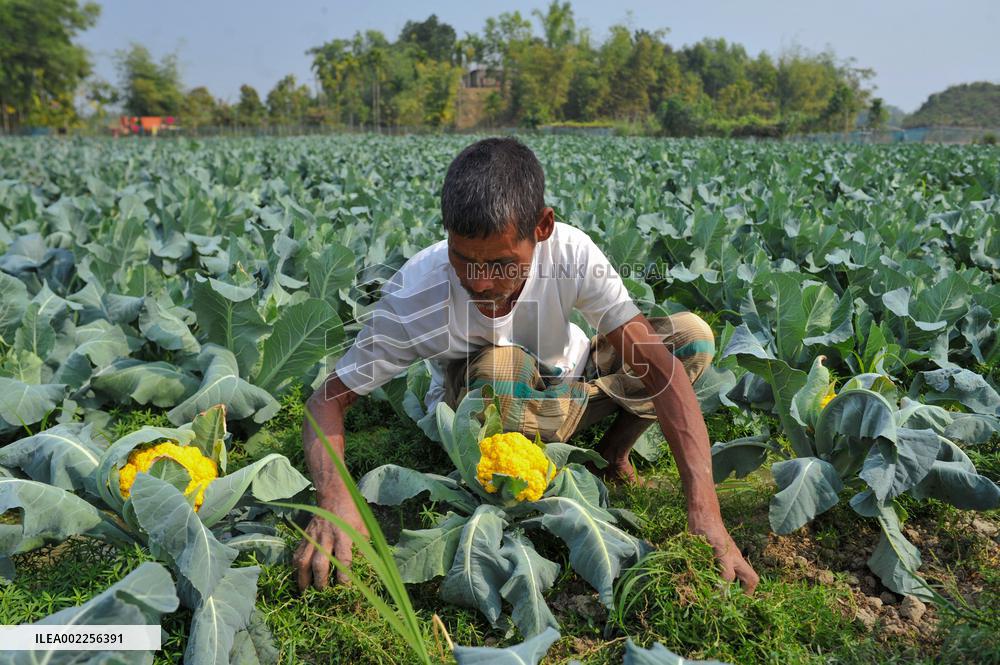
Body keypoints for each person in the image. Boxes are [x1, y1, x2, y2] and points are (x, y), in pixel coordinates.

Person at [294, 137, 759, 595]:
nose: (479, 282)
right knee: (503, 368)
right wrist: (334, 499)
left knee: (689, 339)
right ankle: (565, 432)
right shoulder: (415, 296)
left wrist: (706, 513)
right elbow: (327, 402)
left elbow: (660, 369)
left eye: (500, 263)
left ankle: (613, 455)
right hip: (485, 401)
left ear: (542, 227)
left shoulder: (572, 254)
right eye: (462, 259)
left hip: (568, 375)